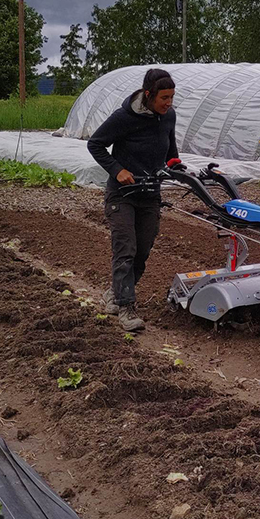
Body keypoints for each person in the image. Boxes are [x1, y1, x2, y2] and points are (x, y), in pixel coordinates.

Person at [87, 68, 179, 332]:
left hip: (150, 195)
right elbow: (95, 144)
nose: (169, 103)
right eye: (164, 98)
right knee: (125, 249)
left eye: (172, 97)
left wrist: (178, 168)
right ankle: (126, 308)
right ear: (149, 95)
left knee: (142, 251)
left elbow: (171, 151)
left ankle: (116, 293)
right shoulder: (124, 118)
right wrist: (118, 170)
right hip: (122, 195)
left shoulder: (168, 116)